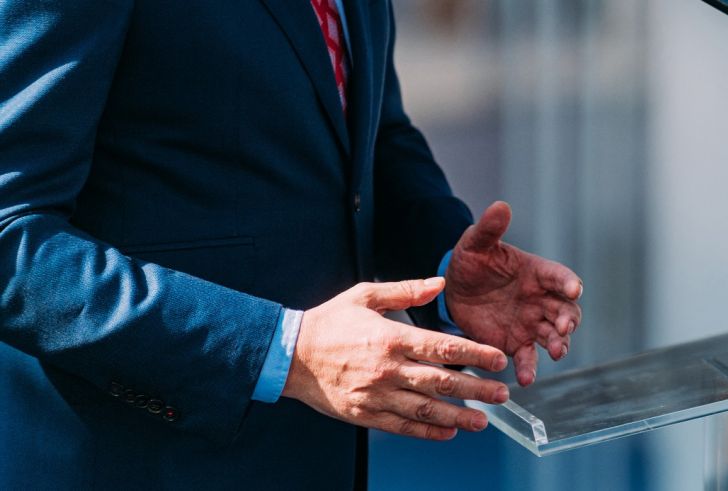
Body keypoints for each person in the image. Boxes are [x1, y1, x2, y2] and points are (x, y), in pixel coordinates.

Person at [0, 0, 582, 489]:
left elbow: (367, 136)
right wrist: (282, 351)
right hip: (139, 462)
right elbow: (12, 241)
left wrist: (445, 268)